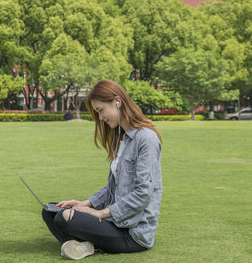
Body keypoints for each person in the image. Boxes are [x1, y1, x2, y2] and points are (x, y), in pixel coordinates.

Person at [41, 79, 162, 260]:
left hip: (133, 233)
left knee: (63, 217)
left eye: (100, 110)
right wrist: (86, 204)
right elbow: (113, 188)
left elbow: (143, 193)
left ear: (117, 102)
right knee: (51, 212)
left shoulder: (146, 139)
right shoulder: (119, 139)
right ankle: (88, 246)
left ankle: (87, 244)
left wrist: (101, 213)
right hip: (114, 222)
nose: (100, 118)